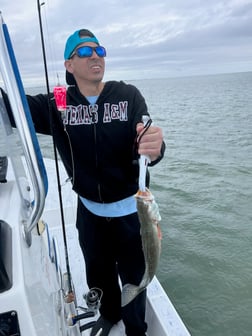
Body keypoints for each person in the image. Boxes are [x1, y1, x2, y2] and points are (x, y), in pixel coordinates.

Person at [2, 29, 165, 336]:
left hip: (132, 213)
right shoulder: (59, 102)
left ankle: (136, 328)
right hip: (89, 213)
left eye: (100, 51)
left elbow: (147, 141)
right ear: (69, 65)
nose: (95, 56)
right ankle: (108, 314)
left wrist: (155, 146)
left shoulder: (126, 95)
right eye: (85, 51)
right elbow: (13, 109)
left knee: (134, 276)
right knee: (98, 272)